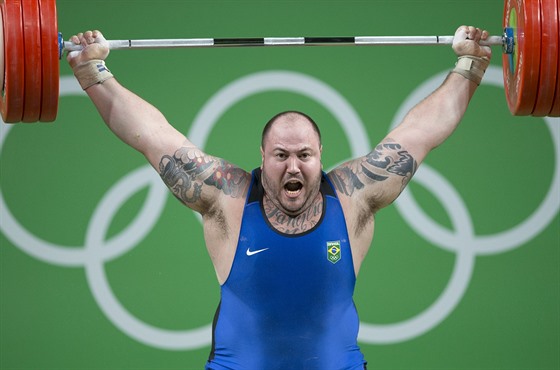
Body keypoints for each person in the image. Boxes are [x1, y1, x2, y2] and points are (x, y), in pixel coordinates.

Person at [67, 25, 492, 369]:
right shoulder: (227, 197)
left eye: (304, 155)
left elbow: (421, 133)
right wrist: (93, 73)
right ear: (263, 157)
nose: (293, 167)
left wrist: (470, 65)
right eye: (281, 155)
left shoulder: (353, 196)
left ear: (320, 155)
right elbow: (152, 136)